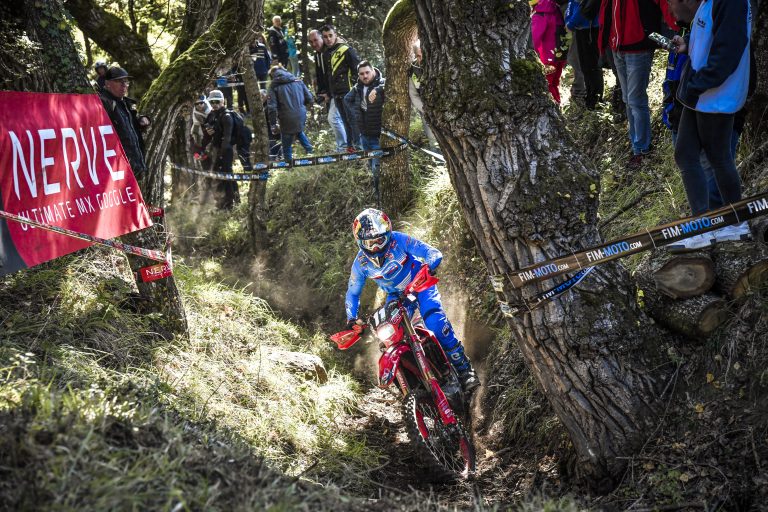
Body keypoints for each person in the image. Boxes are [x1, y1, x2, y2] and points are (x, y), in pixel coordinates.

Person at [345, 208, 480, 393]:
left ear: (388, 233)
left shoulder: (399, 240)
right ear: (360, 242)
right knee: (389, 337)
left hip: (421, 283)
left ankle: (465, 371)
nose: (376, 246)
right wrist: (351, 318)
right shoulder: (360, 263)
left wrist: (431, 265)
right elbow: (353, 293)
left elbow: (431, 252)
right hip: (396, 296)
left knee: (435, 322)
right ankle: (413, 383)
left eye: (379, 239)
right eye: (370, 242)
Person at [667, 0, 752, 251]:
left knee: (718, 157)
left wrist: (700, 82)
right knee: (686, 154)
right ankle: (705, 224)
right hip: (702, 93)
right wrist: (688, 43)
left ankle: (734, 223)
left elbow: (730, 48)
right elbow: (711, 31)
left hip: (715, 94)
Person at [598, 0, 677, 168]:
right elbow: (606, 12)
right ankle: (637, 147)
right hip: (617, 47)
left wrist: (680, 26)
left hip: (639, 47)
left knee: (635, 100)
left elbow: (666, 4)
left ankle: (642, 149)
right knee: (628, 100)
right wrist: (603, 44)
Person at [345, 61, 385, 202]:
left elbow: (388, 85)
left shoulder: (381, 83)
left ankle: (381, 199)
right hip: (364, 136)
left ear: (373, 70)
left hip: (377, 137)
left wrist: (378, 90)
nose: (365, 76)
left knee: (377, 170)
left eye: (367, 72)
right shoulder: (357, 88)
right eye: (362, 74)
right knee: (371, 168)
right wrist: (357, 113)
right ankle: (377, 196)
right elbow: (346, 100)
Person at [98, 66, 150, 177]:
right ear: (107, 84)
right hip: (118, 171)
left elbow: (131, 121)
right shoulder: (104, 103)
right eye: (118, 81)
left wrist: (142, 119)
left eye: (126, 81)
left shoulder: (126, 103)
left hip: (136, 168)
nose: (124, 84)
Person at [202, 89, 248, 210]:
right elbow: (208, 133)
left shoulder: (226, 116)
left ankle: (234, 202)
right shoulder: (212, 115)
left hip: (225, 150)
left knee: (227, 176)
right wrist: (209, 132)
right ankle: (223, 203)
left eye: (217, 101)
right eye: (212, 102)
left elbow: (227, 137)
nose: (215, 104)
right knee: (219, 177)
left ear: (223, 101)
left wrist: (222, 154)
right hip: (216, 149)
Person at [321, 24, 360, 151]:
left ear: (335, 35)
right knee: (344, 121)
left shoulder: (346, 49)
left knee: (353, 120)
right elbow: (328, 75)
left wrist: (355, 88)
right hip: (335, 94)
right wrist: (329, 92)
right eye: (325, 37)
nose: (328, 39)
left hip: (348, 91)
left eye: (330, 36)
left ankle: (359, 146)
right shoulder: (325, 53)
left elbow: (357, 69)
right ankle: (350, 147)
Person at [266, 65, 314, 162]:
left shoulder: (274, 86)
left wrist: (273, 124)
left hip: (286, 116)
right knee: (299, 131)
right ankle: (311, 153)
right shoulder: (297, 80)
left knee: (286, 141)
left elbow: (272, 107)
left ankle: (288, 165)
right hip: (301, 113)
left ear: (272, 75)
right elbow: (309, 98)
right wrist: (300, 106)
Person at [310, 29, 347, 152]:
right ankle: (346, 146)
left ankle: (344, 147)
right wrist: (321, 92)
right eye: (311, 42)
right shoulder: (318, 54)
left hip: (341, 91)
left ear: (322, 38)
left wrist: (329, 94)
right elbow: (322, 76)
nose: (314, 44)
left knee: (333, 118)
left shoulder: (331, 52)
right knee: (339, 118)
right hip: (331, 92)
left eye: (316, 40)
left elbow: (335, 76)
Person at [565, 0, 603, 109]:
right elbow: (572, 6)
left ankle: (595, 101)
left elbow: (584, 9)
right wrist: (569, 22)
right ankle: (591, 99)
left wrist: (571, 23)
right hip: (582, 30)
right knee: (586, 67)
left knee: (592, 67)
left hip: (590, 30)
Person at [530, 0, 568, 104]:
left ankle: (553, 105)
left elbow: (535, 38)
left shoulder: (540, 14)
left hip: (547, 56)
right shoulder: (557, 9)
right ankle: (557, 103)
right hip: (561, 54)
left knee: (547, 84)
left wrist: (529, 54)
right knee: (555, 83)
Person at [408, 41, 438, 148]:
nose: (422, 59)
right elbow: (413, 94)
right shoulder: (413, 70)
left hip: (446, 109)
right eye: (419, 56)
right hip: (426, 111)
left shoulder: (440, 63)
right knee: (433, 140)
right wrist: (426, 110)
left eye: (424, 55)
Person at [190, 94, 213, 170]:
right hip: (205, 149)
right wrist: (196, 153)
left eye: (201, 103)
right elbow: (194, 139)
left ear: (205, 103)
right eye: (196, 104)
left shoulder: (213, 112)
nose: (199, 105)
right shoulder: (196, 121)